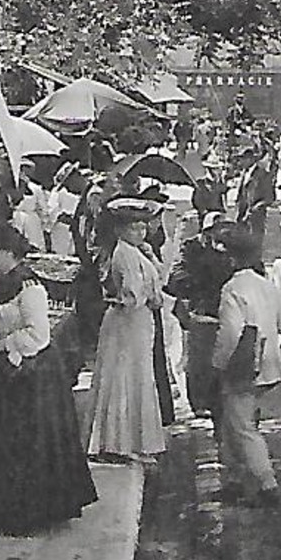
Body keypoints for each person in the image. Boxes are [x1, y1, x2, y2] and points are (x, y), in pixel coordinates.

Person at [0, 222, 97, 536]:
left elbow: (38, 335)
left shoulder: (30, 287)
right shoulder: (5, 283)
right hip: (10, 372)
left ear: (6, 251)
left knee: (24, 444)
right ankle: (5, 509)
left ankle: (26, 513)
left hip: (30, 375)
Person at [209, 226, 281, 508]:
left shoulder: (232, 289)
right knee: (229, 424)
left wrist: (218, 367)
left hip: (241, 368)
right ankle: (232, 480)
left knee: (243, 427)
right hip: (268, 367)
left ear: (232, 260)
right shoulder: (267, 286)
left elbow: (230, 335)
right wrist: (278, 358)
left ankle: (268, 485)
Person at [87, 198, 168, 463]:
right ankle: (117, 442)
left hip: (137, 322)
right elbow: (133, 295)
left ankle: (132, 440)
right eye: (133, 228)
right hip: (127, 321)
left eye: (143, 228)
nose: (140, 233)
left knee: (136, 375)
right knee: (124, 376)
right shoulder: (124, 254)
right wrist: (149, 298)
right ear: (120, 230)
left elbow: (158, 282)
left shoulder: (137, 252)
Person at [166, 213, 237, 421]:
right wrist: (198, 285)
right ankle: (198, 402)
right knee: (198, 360)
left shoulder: (229, 248)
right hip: (200, 309)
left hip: (225, 308)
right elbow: (176, 275)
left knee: (223, 355)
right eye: (218, 230)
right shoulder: (191, 248)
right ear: (207, 232)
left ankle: (219, 397)